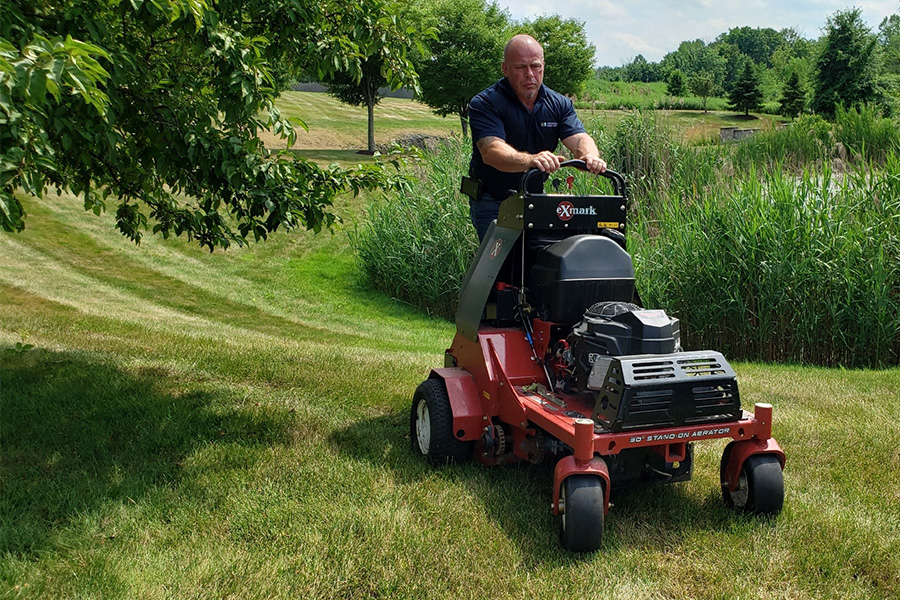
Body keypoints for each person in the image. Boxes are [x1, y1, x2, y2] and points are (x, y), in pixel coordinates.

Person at [466, 34, 607, 240]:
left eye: (535, 66)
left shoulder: (559, 104)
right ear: (505, 69)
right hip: (493, 198)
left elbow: (579, 138)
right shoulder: (486, 102)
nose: (530, 74)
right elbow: (491, 152)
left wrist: (590, 156)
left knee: (544, 260)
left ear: (543, 66)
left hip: (534, 197)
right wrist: (531, 160)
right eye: (521, 67)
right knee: (501, 268)